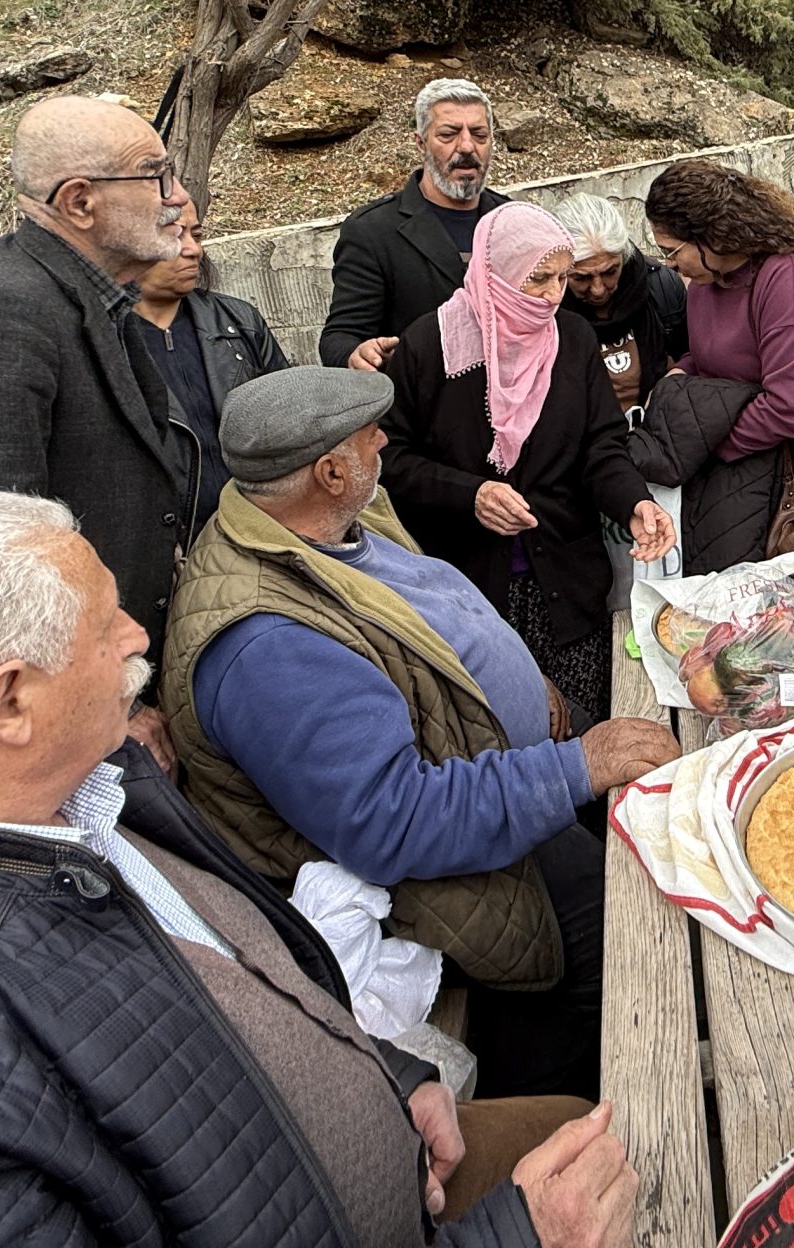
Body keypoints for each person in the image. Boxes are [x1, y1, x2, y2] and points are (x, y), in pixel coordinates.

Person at [0, 491, 640, 1248]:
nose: (141, 637)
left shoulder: (82, 796)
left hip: (392, 1157)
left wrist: (390, 1076)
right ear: (6, 702)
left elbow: (239, 988)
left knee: (596, 1130)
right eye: (104, 625)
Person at [166, 368, 680, 1102]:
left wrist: (524, 683)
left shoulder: (328, 520)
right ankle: (538, 1126)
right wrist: (572, 770)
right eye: (370, 434)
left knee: (653, 838)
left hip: (492, 774)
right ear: (331, 470)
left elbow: (431, 619)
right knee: (611, 935)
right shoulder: (265, 644)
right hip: (428, 855)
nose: (385, 440)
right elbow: (393, 822)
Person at [0, 94, 196, 768]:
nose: (176, 197)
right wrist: (103, 704)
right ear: (81, 202)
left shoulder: (84, 295)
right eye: (155, 174)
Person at [382, 203, 674, 719]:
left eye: (563, 278)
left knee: (586, 730)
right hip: (472, 592)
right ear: (497, 272)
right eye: (538, 279)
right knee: (506, 733)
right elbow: (393, 459)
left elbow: (600, 444)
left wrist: (633, 502)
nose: (553, 295)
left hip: (568, 582)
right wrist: (469, 494)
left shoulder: (572, 338)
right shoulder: (430, 347)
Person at [641, 160, 794, 564]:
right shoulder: (704, 286)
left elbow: (789, 408)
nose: (670, 263)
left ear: (712, 236)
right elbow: (713, 357)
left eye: (672, 250)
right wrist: (680, 372)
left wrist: (702, 443)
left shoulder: (787, 279)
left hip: (793, 488)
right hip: (739, 480)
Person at [321, 79, 510, 372]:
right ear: (420, 143)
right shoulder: (372, 232)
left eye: (479, 134)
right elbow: (339, 337)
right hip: (421, 409)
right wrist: (357, 354)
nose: (467, 146)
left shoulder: (513, 220)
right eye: (448, 134)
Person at [133, 199, 289, 539]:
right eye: (174, 236)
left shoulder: (238, 322)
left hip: (259, 534)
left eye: (197, 235)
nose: (193, 251)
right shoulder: (101, 341)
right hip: (168, 550)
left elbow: (290, 426)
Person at [548, 191, 687, 414]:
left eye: (610, 271)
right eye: (581, 278)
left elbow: (688, 362)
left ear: (624, 256)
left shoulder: (661, 288)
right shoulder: (546, 309)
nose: (598, 289)